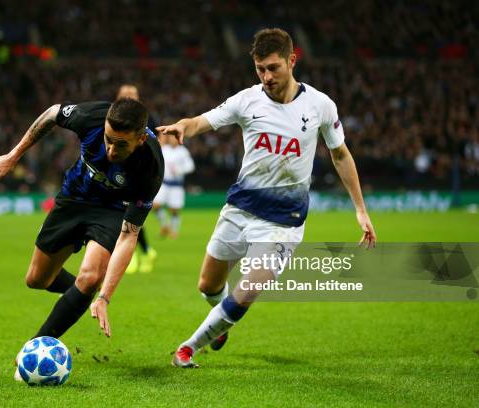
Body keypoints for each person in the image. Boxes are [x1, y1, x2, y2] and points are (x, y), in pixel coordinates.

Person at [157, 28, 377, 368]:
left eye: (273, 67)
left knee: (247, 289)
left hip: (284, 221)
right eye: (260, 68)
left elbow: (341, 155)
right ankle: (219, 323)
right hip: (241, 207)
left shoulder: (320, 105)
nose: (266, 76)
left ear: (292, 60)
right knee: (208, 285)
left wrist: (360, 210)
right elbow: (205, 120)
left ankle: (189, 347)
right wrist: (185, 126)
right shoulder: (247, 100)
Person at [0, 98, 164, 377]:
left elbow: (129, 237)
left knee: (90, 276)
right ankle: (80, 295)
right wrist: (13, 155)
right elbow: (52, 113)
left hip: (112, 211)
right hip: (73, 198)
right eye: (108, 140)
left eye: (121, 145)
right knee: (37, 279)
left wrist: (105, 296)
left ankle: (33, 348)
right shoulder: (90, 117)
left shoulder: (150, 167)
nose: (111, 150)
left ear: (140, 139)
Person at [115, 84, 158, 273]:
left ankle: (131, 256)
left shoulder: (147, 119)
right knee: (124, 215)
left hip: (139, 175)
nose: (130, 97)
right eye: (126, 94)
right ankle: (144, 252)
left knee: (129, 215)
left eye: (133, 94)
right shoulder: (113, 118)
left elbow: (156, 144)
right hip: (118, 173)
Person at [153, 133, 195, 238]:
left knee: (174, 210)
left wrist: (179, 170)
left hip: (176, 186)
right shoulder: (164, 149)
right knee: (155, 205)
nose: (173, 140)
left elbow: (191, 166)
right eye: (171, 138)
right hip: (164, 184)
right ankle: (165, 224)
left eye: (175, 138)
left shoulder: (183, 151)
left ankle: (174, 231)